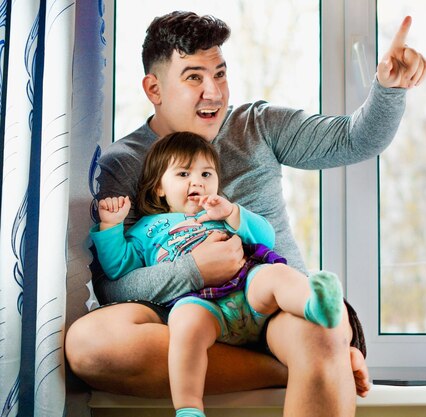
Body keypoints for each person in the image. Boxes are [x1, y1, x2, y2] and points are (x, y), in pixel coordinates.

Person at [65, 10, 426, 417]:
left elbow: (353, 140)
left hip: (269, 304)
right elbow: (114, 286)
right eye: (194, 77)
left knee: (322, 333)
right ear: (154, 88)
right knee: (89, 346)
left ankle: (317, 356)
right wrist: (195, 271)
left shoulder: (258, 124)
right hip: (185, 319)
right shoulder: (124, 162)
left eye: (220, 74)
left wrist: (389, 89)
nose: (214, 92)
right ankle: (296, 369)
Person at [91, 132, 345, 417]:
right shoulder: (146, 229)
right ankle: (189, 408)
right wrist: (111, 226)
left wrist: (234, 212)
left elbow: (266, 237)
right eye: (183, 173)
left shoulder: (221, 212)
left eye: (206, 173)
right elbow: (118, 267)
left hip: (248, 288)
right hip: (200, 303)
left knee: (277, 274)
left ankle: (314, 304)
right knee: (184, 327)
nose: (197, 181)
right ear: (159, 187)